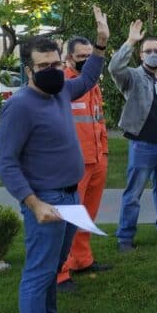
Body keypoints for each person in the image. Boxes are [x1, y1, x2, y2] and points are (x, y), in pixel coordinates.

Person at [0, 5, 109, 313]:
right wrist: (32, 203)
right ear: (28, 70)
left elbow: (88, 77)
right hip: (45, 202)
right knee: (38, 272)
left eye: (56, 64)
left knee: (54, 266)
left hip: (70, 195)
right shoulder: (19, 106)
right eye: (43, 66)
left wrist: (102, 44)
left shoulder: (60, 90)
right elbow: (6, 163)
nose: (52, 71)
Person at [109, 20, 157, 252]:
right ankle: (125, 237)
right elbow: (114, 68)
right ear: (141, 55)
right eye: (148, 51)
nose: (153, 54)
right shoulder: (132, 77)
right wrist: (130, 42)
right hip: (142, 146)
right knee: (133, 194)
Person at [56, 36, 113, 292]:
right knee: (66, 220)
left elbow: (97, 120)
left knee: (87, 216)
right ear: (68, 58)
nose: (88, 62)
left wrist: (104, 153)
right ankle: (60, 273)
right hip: (74, 165)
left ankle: (82, 260)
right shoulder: (63, 85)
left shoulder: (92, 84)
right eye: (81, 57)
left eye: (91, 57)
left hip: (97, 160)